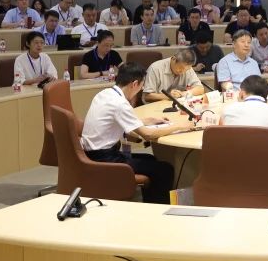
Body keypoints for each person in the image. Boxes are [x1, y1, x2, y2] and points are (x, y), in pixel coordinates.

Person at [79, 63, 190, 204]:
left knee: (151, 159)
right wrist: (179, 126)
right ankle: (157, 207)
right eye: (141, 87)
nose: (140, 90)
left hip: (92, 153)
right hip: (105, 158)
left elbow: (121, 119)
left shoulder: (105, 94)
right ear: (135, 84)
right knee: (165, 169)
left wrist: (150, 120)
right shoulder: (120, 104)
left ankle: (150, 200)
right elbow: (147, 135)